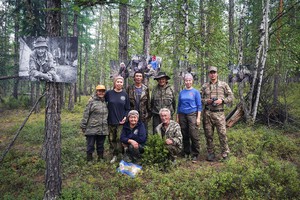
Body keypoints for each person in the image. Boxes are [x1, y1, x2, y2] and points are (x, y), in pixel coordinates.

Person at [201, 66, 234, 161]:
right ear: (208, 74)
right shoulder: (204, 86)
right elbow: (198, 98)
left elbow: (231, 97)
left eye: (214, 72)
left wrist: (222, 101)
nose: (212, 74)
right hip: (207, 113)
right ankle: (210, 153)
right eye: (211, 73)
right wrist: (207, 101)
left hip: (219, 114)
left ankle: (225, 153)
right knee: (208, 135)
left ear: (217, 73)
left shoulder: (223, 85)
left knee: (222, 134)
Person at [177, 73, 202, 163]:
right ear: (184, 81)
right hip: (182, 115)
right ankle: (186, 152)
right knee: (184, 133)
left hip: (192, 114)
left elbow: (199, 106)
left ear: (192, 81)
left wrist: (198, 118)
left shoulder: (195, 92)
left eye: (189, 80)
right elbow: (179, 105)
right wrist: (178, 117)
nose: (188, 82)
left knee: (193, 134)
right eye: (186, 80)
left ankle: (195, 153)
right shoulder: (182, 92)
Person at [105, 75, 130, 164]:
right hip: (110, 120)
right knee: (112, 139)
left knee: (120, 138)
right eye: (117, 82)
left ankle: (122, 154)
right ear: (114, 83)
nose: (119, 83)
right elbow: (103, 103)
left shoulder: (125, 94)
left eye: (121, 82)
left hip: (121, 122)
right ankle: (114, 155)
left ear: (123, 84)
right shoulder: (109, 93)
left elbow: (127, 108)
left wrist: (125, 117)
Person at [80, 85, 108, 162]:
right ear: (96, 92)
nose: (101, 93)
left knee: (100, 144)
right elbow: (86, 114)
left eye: (102, 91)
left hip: (103, 127)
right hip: (92, 127)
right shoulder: (91, 101)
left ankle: (100, 158)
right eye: (99, 91)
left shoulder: (106, 101)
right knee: (90, 144)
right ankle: (89, 159)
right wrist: (83, 125)